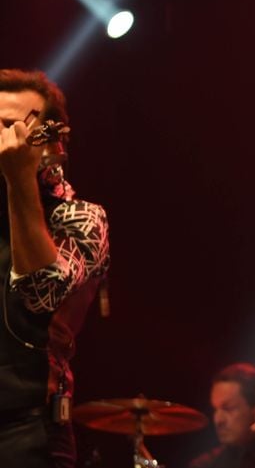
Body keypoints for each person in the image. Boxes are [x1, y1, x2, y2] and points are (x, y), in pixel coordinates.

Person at [0, 69, 110, 468]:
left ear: (49, 143)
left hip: (26, 434)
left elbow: (40, 292)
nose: (3, 140)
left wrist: (18, 179)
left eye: (11, 127)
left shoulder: (80, 218)